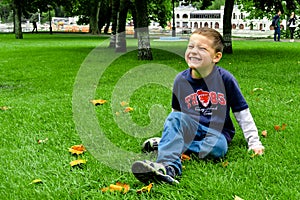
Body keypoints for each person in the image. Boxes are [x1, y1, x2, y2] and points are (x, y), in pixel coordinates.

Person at [131, 27, 265, 185]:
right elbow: (176, 115)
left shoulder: (225, 79)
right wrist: (172, 131)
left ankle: (164, 144)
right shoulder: (181, 80)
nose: (194, 51)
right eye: (190, 46)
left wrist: (254, 143)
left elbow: (242, 113)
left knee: (219, 149)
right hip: (190, 128)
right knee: (175, 117)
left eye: (202, 48)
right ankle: (168, 168)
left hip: (217, 133)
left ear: (216, 56)